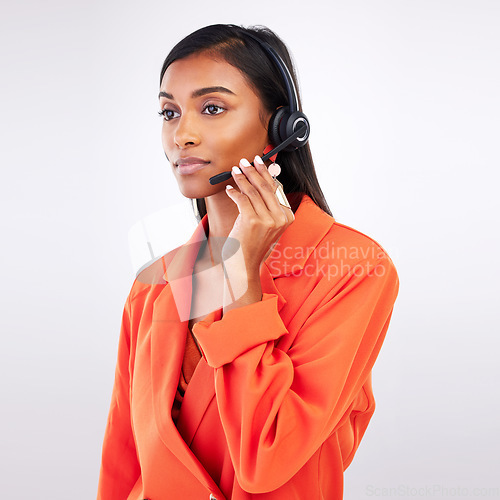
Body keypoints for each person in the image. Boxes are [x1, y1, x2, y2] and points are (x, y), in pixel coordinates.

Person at [96, 24, 400, 500]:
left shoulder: (353, 269)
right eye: (169, 112)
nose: (183, 134)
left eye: (212, 108)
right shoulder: (154, 286)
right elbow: (122, 461)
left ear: (281, 127)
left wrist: (242, 274)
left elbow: (267, 458)